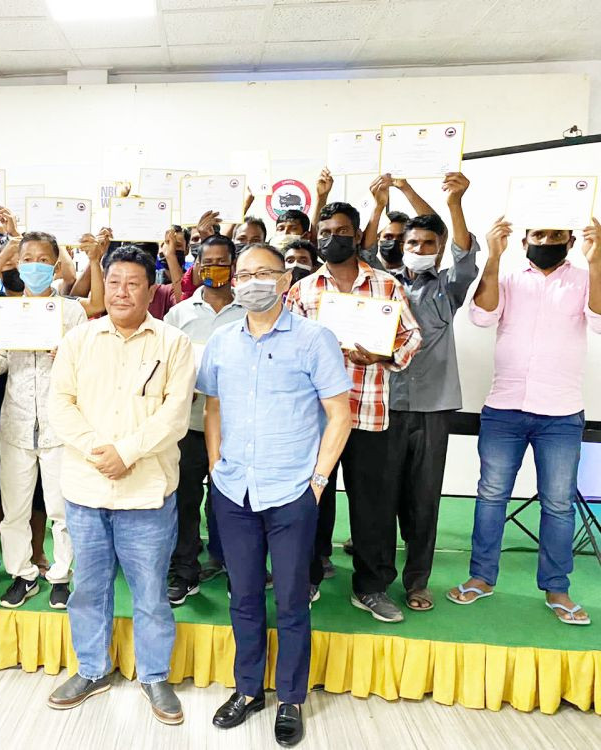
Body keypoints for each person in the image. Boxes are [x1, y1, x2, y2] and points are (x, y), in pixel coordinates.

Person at [199, 245, 352, 746]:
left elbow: (339, 414)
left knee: (290, 599)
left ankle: (290, 697)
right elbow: (213, 408)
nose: (252, 282)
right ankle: (248, 690)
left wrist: (318, 481)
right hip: (233, 490)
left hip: (291, 492)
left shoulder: (315, 340)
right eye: (244, 274)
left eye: (264, 273)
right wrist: (217, 464)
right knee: (242, 597)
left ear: (286, 280)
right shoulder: (221, 342)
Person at [47, 246, 196, 725]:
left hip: (146, 492)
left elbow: (175, 416)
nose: (122, 292)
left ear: (152, 290)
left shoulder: (174, 343)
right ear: (103, 285)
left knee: (151, 592)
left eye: (133, 283)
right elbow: (61, 405)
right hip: (87, 490)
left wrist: (127, 453)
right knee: (88, 589)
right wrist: (101, 452)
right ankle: (93, 670)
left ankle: (154, 675)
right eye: (113, 282)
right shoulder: (78, 340)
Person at [447, 217, 601, 626]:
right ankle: (481, 578)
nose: (546, 241)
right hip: (505, 409)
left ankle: (557, 588)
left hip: (562, 412)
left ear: (570, 239)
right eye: (539, 234)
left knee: (558, 503)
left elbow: (600, 320)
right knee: (492, 496)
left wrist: (598, 258)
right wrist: (494, 257)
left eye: (555, 235)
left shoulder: (583, 277)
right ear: (525, 239)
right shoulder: (510, 276)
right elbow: (480, 317)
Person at [286, 202, 421, 623]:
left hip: (368, 410)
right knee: (311, 500)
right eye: (324, 231)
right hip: (317, 419)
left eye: (342, 231)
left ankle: (371, 586)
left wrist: (384, 355)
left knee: (373, 505)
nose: (332, 238)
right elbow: (286, 348)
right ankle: (306, 576)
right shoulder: (303, 290)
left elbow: (411, 336)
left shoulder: (387, 286)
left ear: (358, 234)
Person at [363, 174, 479, 612]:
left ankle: (417, 582)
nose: (420, 249)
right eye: (413, 242)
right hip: (385, 405)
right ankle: (377, 577)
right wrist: (379, 205)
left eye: (429, 243)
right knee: (382, 495)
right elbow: (366, 251)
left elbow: (465, 252)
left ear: (438, 247)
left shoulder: (449, 286)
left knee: (424, 499)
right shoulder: (380, 284)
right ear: (401, 245)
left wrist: (452, 202)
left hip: (433, 408)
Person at [0, 231, 89, 610]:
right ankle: (22, 574)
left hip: (59, 425)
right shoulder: (8, 311)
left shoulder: (72, 312)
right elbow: (0, 368)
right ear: (17, 262)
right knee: (14, 507)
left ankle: (61, 575)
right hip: (15, 422)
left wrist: (63, 354)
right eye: (27, 257)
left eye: (43, 259)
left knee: (61, 508)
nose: (35, 265)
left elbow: (85, 369)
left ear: (56, 264)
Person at [164, 235, 245, 604]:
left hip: (236, 428)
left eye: (223, 261)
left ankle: (236, 567)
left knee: (231, 501)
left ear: (234, 264)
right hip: (189, 424)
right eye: (207, 261)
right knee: (184, 499)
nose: (215, 268)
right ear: (196, 264)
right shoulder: (180, 313)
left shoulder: (250, 310)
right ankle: (184, 571)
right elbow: (162, 364)